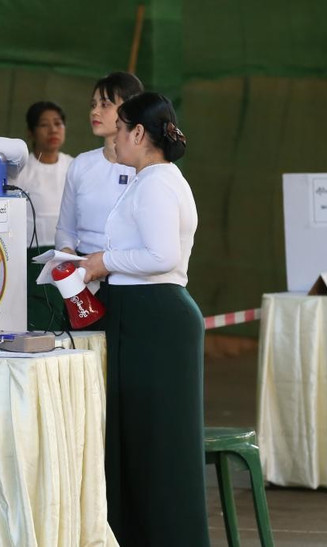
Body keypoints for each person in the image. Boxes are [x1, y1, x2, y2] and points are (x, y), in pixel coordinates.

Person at [81, 92, 209, 546]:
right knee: (139, 444)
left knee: (159, 448)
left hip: (155, 319)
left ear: (137, 132)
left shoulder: (157, 182)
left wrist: (103, 261)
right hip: (141, 316)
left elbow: (161, 256)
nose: (113, 137)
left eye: (119, 128)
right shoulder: (148, 179)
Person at [55, 72, 144, 328]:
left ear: (129, 110)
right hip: (83, 285)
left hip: (130, 282)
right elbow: (65, 229)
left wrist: (107, 264)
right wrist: (69, 256)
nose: (95, 111)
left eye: (105, 104)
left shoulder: (145, 169)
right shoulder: (81, 165)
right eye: (93, 104)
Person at [17, 101, 74, 331]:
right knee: (40, 320)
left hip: (68, 257)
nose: (53, 130)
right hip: (32, 259)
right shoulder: (20, 171)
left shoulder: (74, 166)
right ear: (31, 132)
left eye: (58, 123)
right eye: (44, 125)